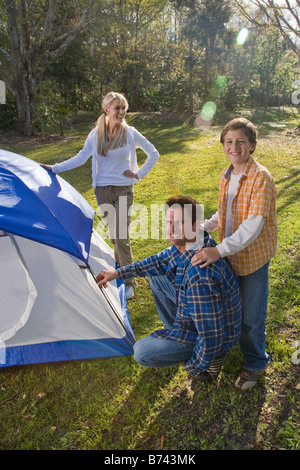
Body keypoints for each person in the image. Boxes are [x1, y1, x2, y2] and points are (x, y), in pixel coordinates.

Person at [96, 195, 242, 381]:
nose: (170, 229)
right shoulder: (194, 240)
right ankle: (175, 331)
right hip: (200, 317)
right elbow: (159, 261)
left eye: (179, 222)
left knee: (141, 352)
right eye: (168, 222)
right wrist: (117, 273)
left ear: (196, 224)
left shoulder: (200, 276)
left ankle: (212, 358)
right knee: (157, 277)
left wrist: (192, 366)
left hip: (218, 336)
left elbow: (212, 336)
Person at [41, 91, 159, 300]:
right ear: (106, 110)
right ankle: (118, 269)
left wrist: (139, 174)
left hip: (124, 189)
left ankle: (129, 281)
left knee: (121, 236)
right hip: (102, 191)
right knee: (114, 236)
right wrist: (54, 168)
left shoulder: (130, 133)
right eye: (117, 108)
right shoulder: (96, 135)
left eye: (123, 108)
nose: (121, 112)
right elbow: (81, 158)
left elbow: (154, 153)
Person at [191, 118, 277, 390]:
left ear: (252, 145)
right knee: (229, 311)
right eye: (229, 141)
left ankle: (255, 362)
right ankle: (223, 353)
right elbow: (224, 212)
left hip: (251, 259)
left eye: (240, 141)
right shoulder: (226, 174)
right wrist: (205, 227)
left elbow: (252, 225)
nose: (234, 146)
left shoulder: (261, 178)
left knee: (251, 317)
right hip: (227, 256)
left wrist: (218, 250)